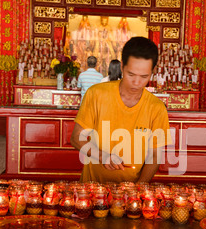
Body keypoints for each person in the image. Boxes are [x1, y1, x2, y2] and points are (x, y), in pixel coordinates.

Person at [71, 37, 170, 183]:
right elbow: (76, 138)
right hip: (91, 189)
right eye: (131, 74)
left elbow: (155, 155)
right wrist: (103, 156)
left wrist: (137, 189)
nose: (136, 83)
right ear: (122, 66)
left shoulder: (157, 108)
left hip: (130, 193)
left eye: (144, 76)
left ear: (152, 71)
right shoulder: (96, 94)